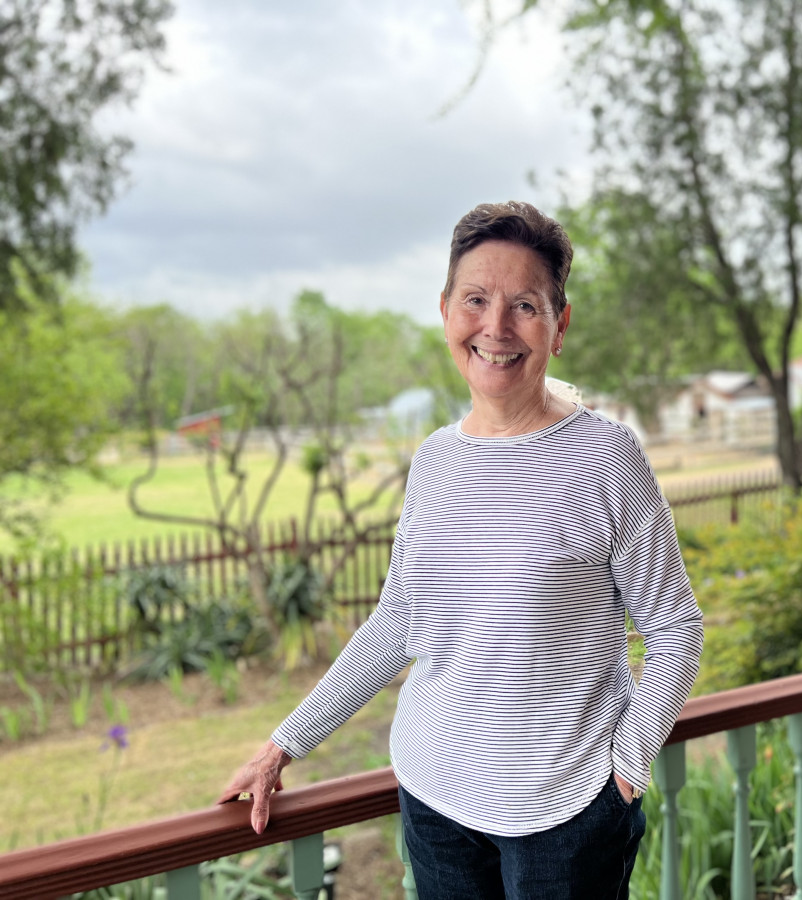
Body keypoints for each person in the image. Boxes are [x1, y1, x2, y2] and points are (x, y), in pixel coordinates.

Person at [220, 200, 704, 899]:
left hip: (566, 814)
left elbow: (676, 630)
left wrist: (627, 764)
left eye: (525, 306)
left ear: (559, 325)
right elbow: (397, 621)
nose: (496, 327)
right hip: (435, 798)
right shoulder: (435, 461)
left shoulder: (606, 458)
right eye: (475, 300)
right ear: (446, 310)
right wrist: (283, 743)